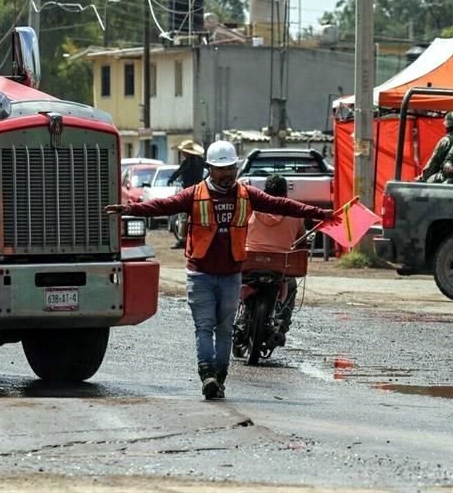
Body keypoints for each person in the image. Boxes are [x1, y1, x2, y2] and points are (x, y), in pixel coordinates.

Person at [105, 140, 331, 401]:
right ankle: (207, 376)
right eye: (221, 169)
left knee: (224, 329)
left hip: (232, 275)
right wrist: (131, 209)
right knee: (204, 328)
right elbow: (162, 206)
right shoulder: (194, 194)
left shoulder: (247, 194)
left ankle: (219, 379)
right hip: (200, 274)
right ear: (210, 168)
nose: (227, 175)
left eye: (231, 169)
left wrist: (318, 213)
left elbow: (282, 205)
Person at [244, 174, 306, 338]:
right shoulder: (295, 213)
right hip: (280, 266)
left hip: (250, 263)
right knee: (291, 285)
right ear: (286, 194)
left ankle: (239, 316)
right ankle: (282, 325)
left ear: (264, 192)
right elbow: (301, 242)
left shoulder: (251, 209)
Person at [167, 140, 206, 249]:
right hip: (199, 190)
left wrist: (170, 179)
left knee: (183, 216)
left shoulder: (187, 162)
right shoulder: (201, 161)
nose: (183, 153)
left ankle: (182, 240)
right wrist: (205, 180)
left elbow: (178, 172)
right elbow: (211, 169)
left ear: (188, 152)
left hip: (188, 191)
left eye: (184, 151)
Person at [419, 111, 453, 183]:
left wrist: (422, 179)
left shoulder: (446, 140)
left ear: (448, 126)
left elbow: (433, 164)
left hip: (451, 179)